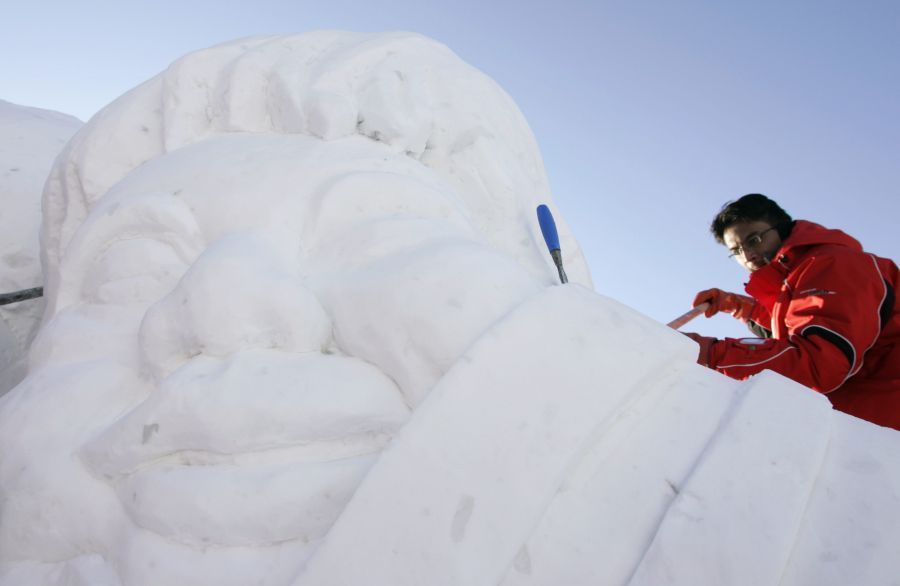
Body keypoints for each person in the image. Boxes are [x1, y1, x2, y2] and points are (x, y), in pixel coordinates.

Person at [685, 193, 900, 430]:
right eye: (736, 251)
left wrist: (709, 352)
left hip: (885, 422)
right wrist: (736, 305)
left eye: (754, 240)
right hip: (869, 423)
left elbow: (818, 360)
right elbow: (794, 329)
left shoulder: (834, 264)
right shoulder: (798, 280)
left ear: (782, 229)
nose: (747, 256)